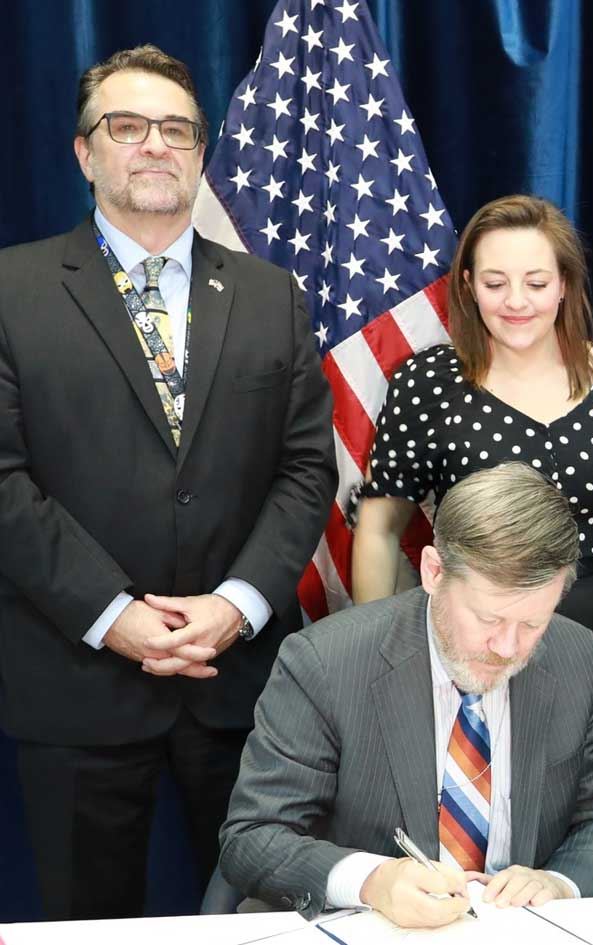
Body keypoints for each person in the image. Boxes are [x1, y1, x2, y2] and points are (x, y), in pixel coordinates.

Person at [0, 45, 335, 919]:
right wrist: (115, 615)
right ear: (85, 152)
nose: (155, 144)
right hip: (75, 680)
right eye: (127, 126)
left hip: (243, 687)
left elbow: (306, 468)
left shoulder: (272, 296)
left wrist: (236, 604)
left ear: (200, 152)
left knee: (269, 925)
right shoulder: (9, 290)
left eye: (177, 129)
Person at [350, 195, 593, 890]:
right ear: (467, 285)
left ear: (565, 284)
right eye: (495, 282)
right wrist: (379, 656)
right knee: (472, 829)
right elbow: (378, 528)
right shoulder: (427, 383)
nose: (516, 301)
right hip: (468, 633)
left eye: (536, 281)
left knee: (591, 822)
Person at [220, 463, 593, 926]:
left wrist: (557, 882)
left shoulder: (576, 656)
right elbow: (254, 837)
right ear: (434, 572)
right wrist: (372, 881)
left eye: (532, 624)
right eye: (488, 619)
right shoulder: (326, 663)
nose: (506, 648)